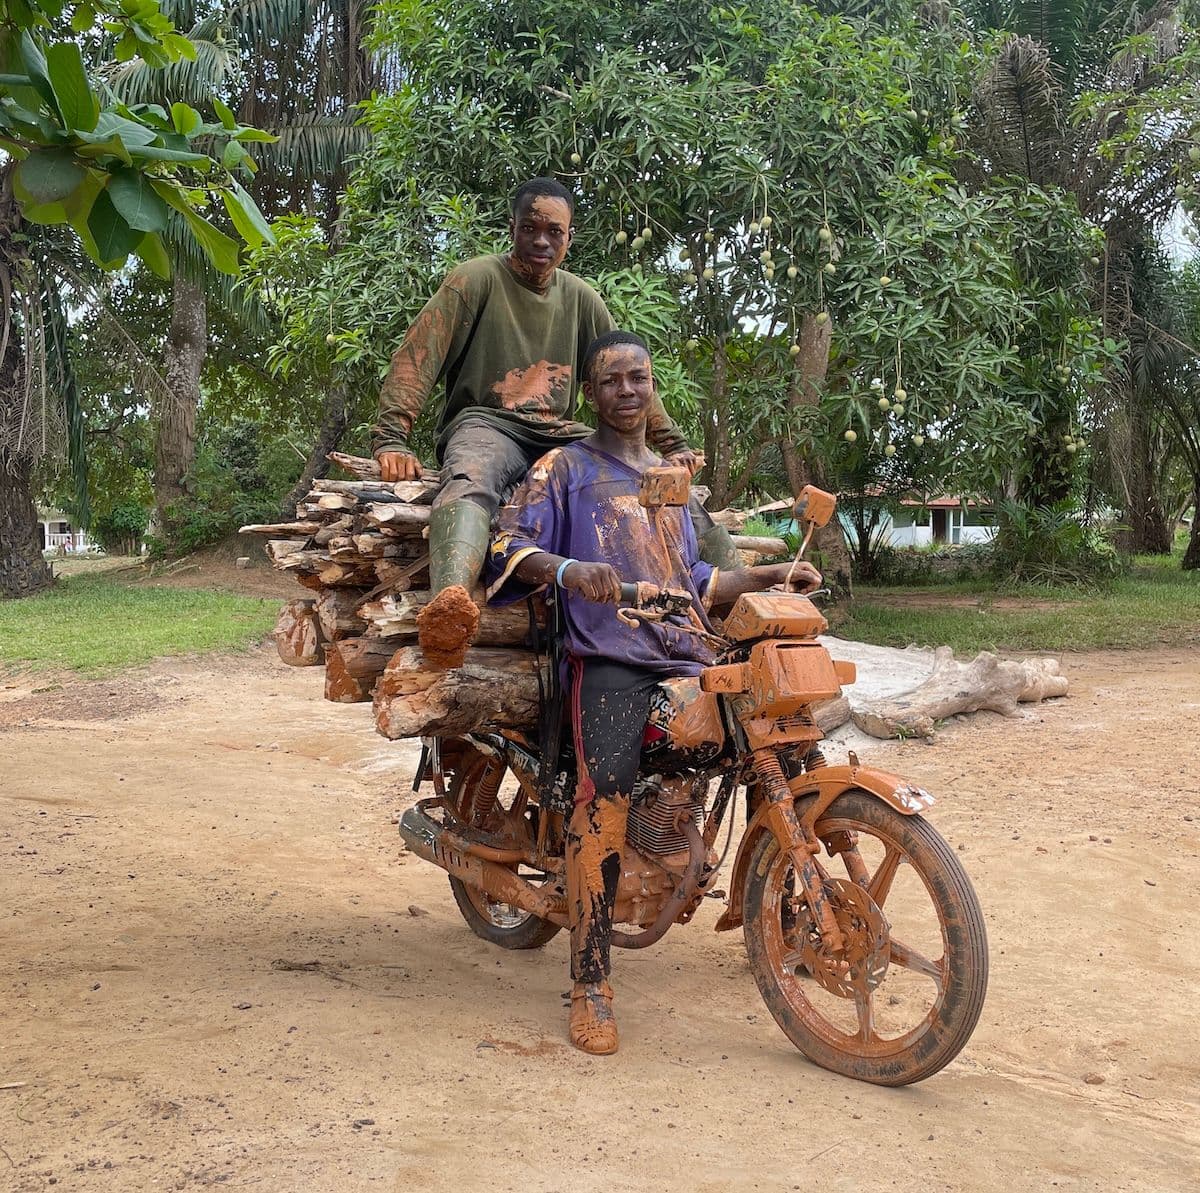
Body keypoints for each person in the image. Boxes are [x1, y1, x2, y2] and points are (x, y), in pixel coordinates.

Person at [486, 330, 822, 1055]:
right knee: (602, 796)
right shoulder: (564, 469)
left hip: (684, 649)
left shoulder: (670, 478)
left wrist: (764, 579)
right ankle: (590, 982)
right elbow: (507, 547)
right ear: (591, 391)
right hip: (609, 657)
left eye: (639, 377)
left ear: (652, 385)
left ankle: (785, 917)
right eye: (613, 380)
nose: (628, 390)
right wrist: (571, 571)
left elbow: (696, 578)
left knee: (774, 740)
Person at [371, 177, 732, 667]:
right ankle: (449, 605)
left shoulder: (581, 298)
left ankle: (739, 599)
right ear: (512, 228)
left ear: (569, 237)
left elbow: (627, 373)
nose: (541, 241)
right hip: (486, 422)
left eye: (554, 232)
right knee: (470, 480)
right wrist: (392, 437)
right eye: (530, 228)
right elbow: (418, 356)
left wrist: (671, 446)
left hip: (556, 431)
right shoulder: (474, 279)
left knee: (655, 480)